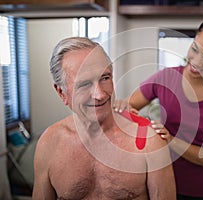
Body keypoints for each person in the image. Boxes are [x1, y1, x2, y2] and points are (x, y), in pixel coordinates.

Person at [114, 11, 203, 200]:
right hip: (158, 180)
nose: (196, 61)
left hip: (200, 190)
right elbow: (129, 106)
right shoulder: (166, 77)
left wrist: (170, 140)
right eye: (195, 48)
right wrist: (122, 108)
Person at [32, 37, 176, 200]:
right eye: (84, 84)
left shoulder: (149, 140)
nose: (100, 94)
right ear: (61, 92)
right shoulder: (49, 143)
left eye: (105, 78)